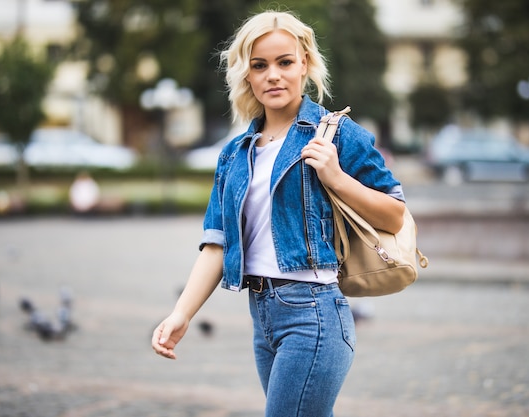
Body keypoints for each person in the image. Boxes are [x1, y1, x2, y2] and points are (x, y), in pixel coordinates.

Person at [151, 10, 406, 416]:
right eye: (260, 65)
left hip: (314, 317)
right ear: (247, 75)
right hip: (262, 318)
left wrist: (336, 177)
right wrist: (181, 314)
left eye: (285, 62)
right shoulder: (236, 153)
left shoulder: (337, 134)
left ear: (304, 63)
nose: (273, 75)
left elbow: (395, 215)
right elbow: (216, 244)